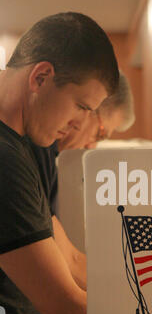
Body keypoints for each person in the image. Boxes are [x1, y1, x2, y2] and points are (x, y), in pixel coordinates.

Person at [0, 12, 119, 314]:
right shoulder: (3, 157)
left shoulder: (24, 145)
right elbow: (64, 309)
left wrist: (141, 294)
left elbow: (66, 257)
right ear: (41, 77)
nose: (78, 125)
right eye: (81, 107)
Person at [29, 71, 135, 292]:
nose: (92, 146)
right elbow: (67, 260)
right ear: (87, 108)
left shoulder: (49, 155)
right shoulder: (33, 149)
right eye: (101, 134)